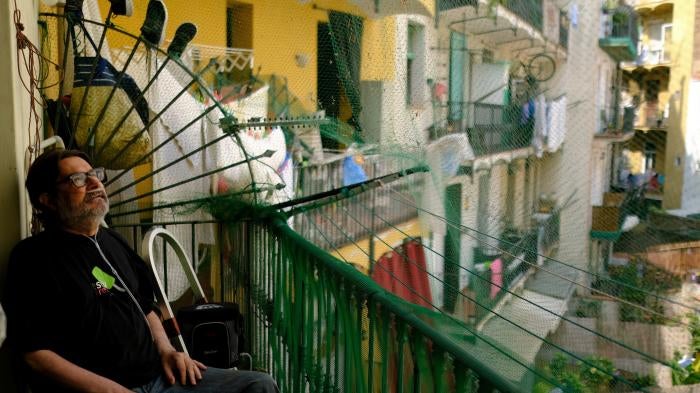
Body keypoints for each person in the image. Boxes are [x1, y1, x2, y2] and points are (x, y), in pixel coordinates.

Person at [2, 149, 277, 393]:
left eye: (94, 175)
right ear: (47, 200)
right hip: (103, 386)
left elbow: (146, 305)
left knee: (259, 385)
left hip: (160, 376)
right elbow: (34, 354)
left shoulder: (112, 241)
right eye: (78, 180)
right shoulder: (33, 259)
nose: (95, 183)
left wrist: (168, 351)